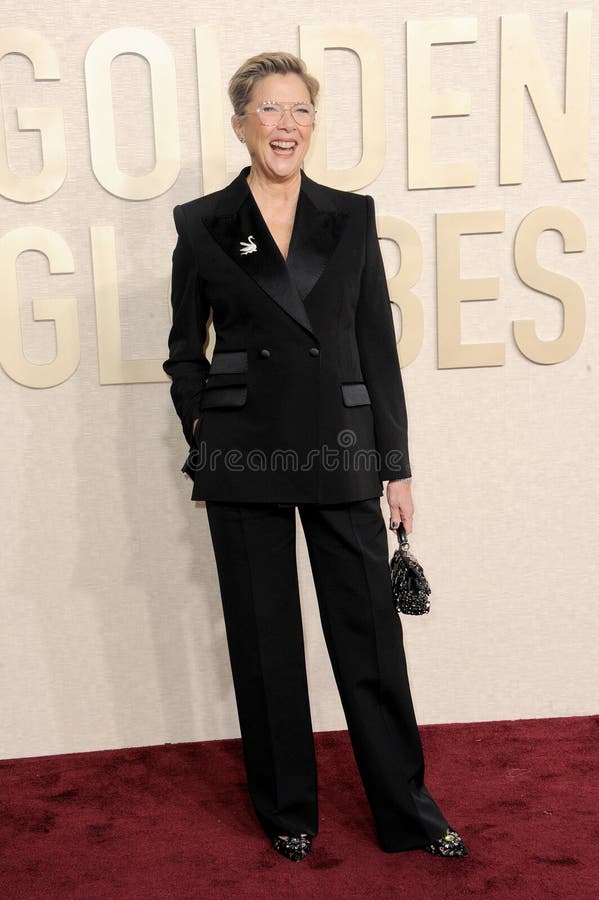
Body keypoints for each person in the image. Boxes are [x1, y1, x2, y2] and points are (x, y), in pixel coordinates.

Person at [163, 51, 468, 863]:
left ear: (312, 123)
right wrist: (202, 430)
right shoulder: (200, 223)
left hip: (340, 446)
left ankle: (408, 811)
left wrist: (395, 465)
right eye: (268, 109)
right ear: (240, 123)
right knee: (264, 644)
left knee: (367, 633)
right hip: (244, 453)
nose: (286, 124)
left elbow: (375, 344)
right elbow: (183, 349)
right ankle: (286, 809)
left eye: (299, 109)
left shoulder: (350, 215)